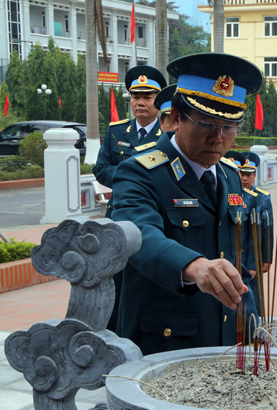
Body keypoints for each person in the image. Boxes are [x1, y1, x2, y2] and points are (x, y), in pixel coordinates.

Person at [110, 53, 263, 355]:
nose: (218, 139)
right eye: (206, 124)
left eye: (229, 127)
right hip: (167, 339)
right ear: (177, 118)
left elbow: (236, 260)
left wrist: (252, 325)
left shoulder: (230, 175)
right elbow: (139, 237)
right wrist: (194, 266)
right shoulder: (139, 171)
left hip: (225, 335)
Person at [93, 65, 167, 332]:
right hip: (119, 215)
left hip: (154, 213)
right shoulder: (117, 131)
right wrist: (129, 176)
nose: (140, 102)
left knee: (148, 270)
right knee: (117, 275)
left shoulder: (168, 133)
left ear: (158, 102)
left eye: (147, 97)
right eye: (136, 97)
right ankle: (114, 330)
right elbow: (100, 169)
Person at [231, 151, 274, 318]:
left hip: (249, 256)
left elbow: (265, 229)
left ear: (255, 176)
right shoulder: (229, 195)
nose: (244, 178)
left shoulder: (260, 198)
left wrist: (263, 259)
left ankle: (256, 330)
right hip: (232, 254)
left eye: (248, 175)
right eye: (241, 174)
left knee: (253, 297)